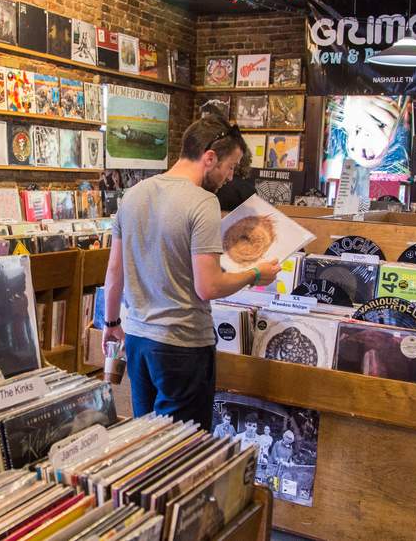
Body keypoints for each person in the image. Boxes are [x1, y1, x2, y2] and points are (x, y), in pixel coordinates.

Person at [101, 115, 281, 428]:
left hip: (137, 339)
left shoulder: (133, 195)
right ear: (209, 157)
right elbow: (208, 286)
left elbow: (114, 271)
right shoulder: (202, 202)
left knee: (146, 443)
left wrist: (111, 322)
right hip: (181, 345)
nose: (229, 178)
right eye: (230, 167)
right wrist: (255, 274)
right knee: (183, 454)